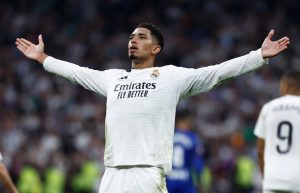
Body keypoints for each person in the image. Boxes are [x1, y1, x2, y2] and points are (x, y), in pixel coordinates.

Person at [15, 22, 290, 193]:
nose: (133, 40)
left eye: (142, 37)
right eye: (132, 36)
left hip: (147, 174)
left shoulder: (172, 77)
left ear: (156, 48)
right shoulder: (113, 78)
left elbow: (217, 72)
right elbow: (76, 72)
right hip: (112, 173)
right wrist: (43, 58)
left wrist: (258, 56)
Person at [254, 71, 300, 193]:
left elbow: (260, 151)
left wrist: (266, 177)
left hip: (273, 179)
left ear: (285, 86)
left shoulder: (268, 108)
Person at [166, 110, 205, 193]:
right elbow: (198, 163)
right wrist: (200, 182)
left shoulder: (167, 136)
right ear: (186, 120)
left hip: (169, 180)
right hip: (185, 181)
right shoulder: (192, 138)